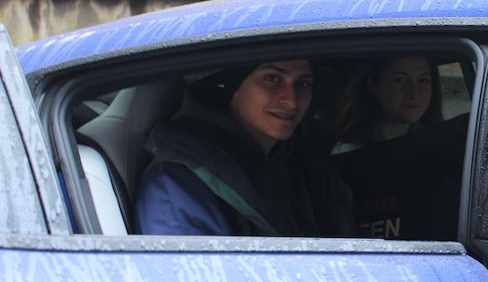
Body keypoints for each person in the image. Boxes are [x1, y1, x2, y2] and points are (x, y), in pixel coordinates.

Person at [134, 60, 354, 237]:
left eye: (303, 84)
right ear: (235, 87)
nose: (292, 101)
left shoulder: (300, 166)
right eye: (272, 79)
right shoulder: (177, 183)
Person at [330, 55, 443, 154]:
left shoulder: (432, 139)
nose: (415, 93)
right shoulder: (353, 153)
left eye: (423, 80)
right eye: (401, 80)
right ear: (374, 86)